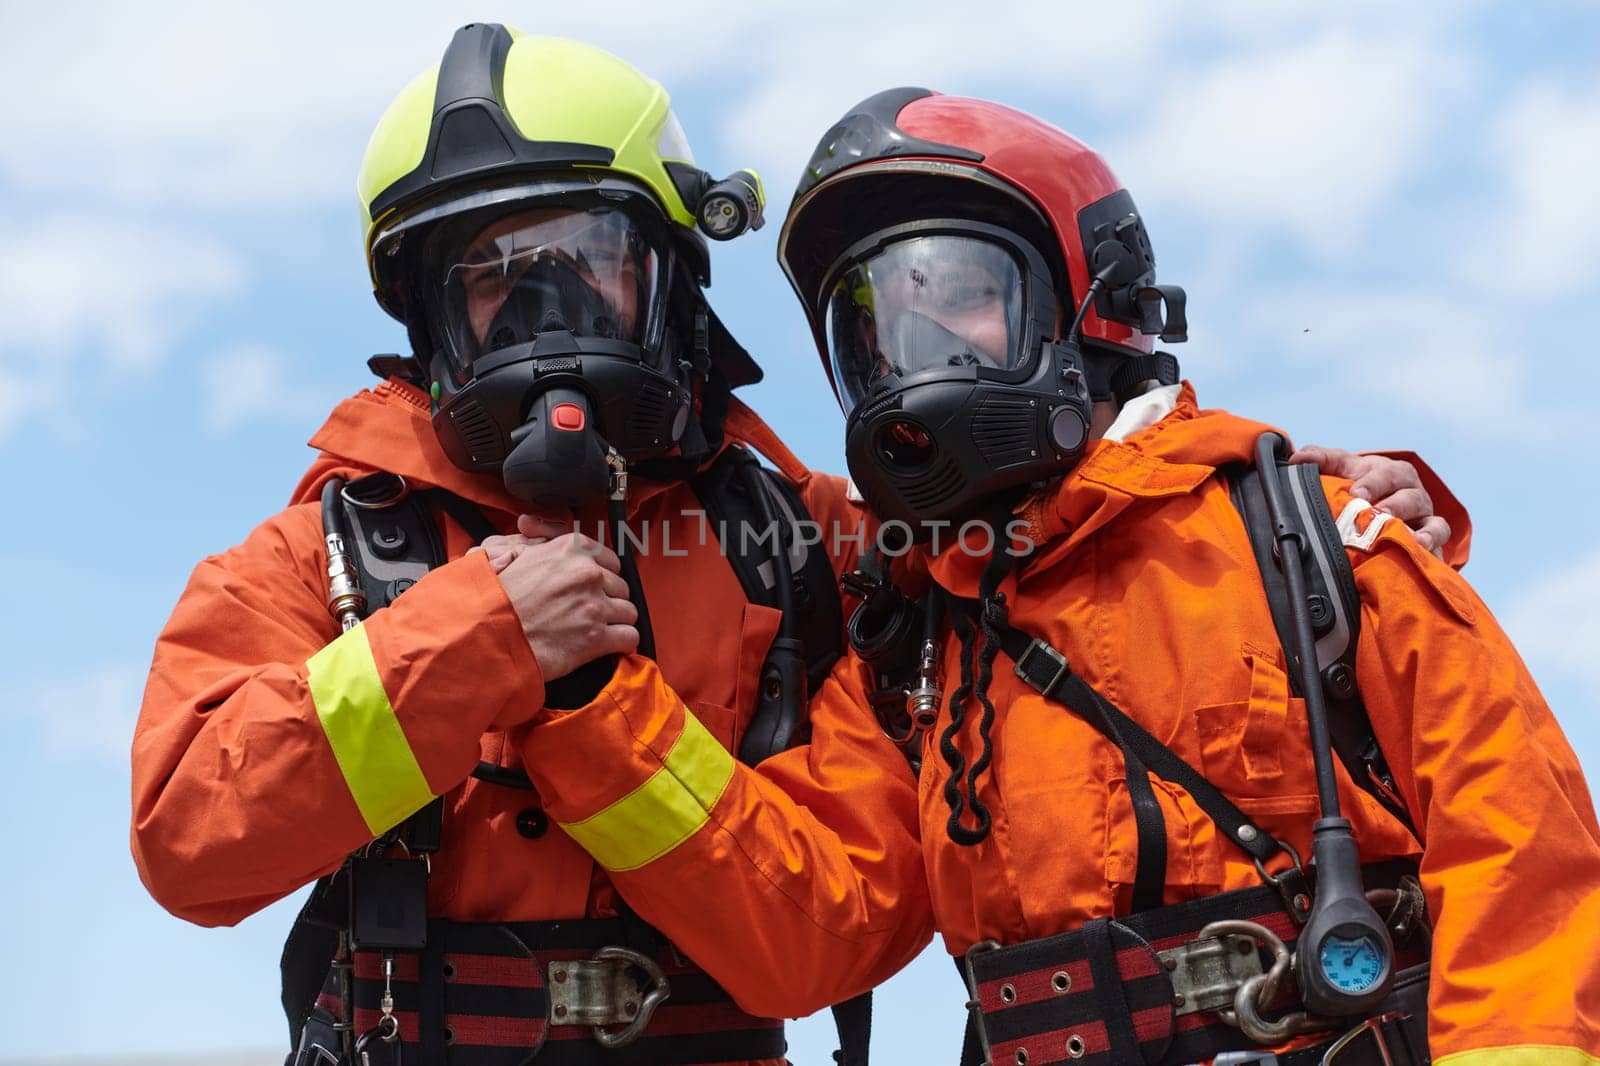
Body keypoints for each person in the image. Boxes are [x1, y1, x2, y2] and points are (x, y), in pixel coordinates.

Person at [128, 24, 1465, 1066]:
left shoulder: (810, 543)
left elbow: (1059, 549)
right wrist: (475, 641)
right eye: (487, 275)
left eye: (581, 253)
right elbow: (191, 840)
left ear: (671, 272)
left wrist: (1256, 491)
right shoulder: (323, 558)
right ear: (426, 317)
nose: (539, 303)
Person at [763, 88, 1600, 1065]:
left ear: (1094, 302)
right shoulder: (910, 630)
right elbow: (807, 927)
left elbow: (1525, 870)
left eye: (959, 296)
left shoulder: (1311, 543)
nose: (916, 357)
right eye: (879, 328)